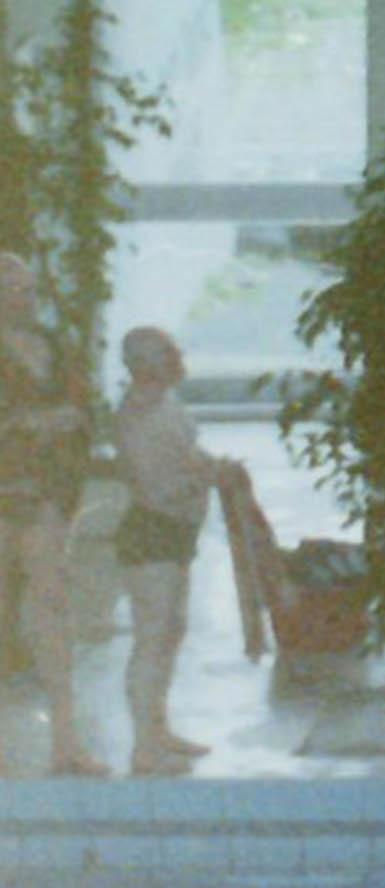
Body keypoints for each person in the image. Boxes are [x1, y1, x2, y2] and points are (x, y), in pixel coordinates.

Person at [108, 327, 243, 777]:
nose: (179, 356)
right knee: (152, 638)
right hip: (152, 536)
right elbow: (154, 487)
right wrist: (205, 479)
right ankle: (144, 746)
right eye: (168, 352)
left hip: (176, 535)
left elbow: (188, 454)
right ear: (143, 364)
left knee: (171, 634)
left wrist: (213, 467)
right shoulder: (136, 416)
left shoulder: (168, 404)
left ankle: (159, 730)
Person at [0, 254, 104, 778]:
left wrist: (58, 427)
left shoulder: (51, 345)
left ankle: (66, 739)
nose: (24, 297)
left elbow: (84, 408)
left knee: (51, 606)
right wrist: (36, 424)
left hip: (46, 490)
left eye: (28, 287)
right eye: (11, 287)